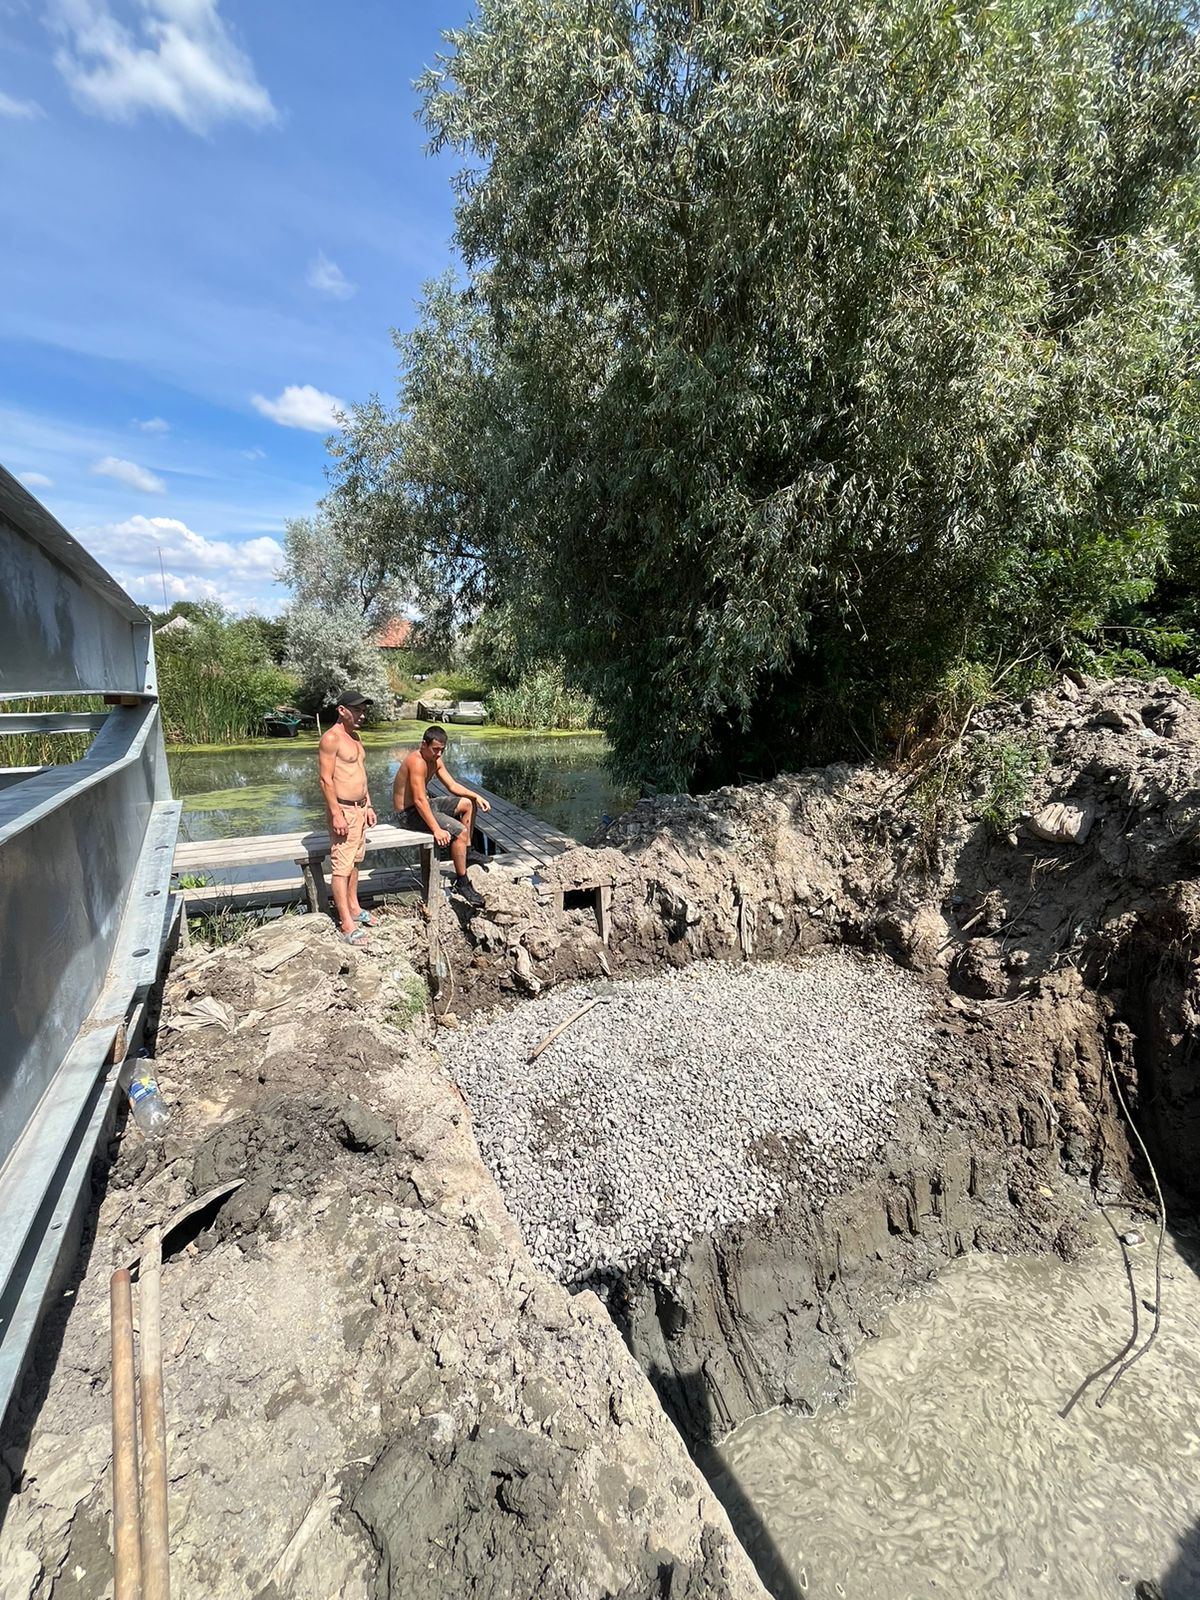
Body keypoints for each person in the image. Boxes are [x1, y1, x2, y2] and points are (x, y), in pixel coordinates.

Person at [393, 725, 490, 907]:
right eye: (435, 749)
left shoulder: (436, 760)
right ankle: (462, 883)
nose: (438, 754)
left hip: (425, 805)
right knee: (459, 831)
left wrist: (476, 796)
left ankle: (467, 852)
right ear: (424, 744)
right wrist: (436, 829)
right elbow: (420, 800)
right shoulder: (417, 762)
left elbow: (452, 785)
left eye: (442, 750)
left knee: (467, 803)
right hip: (409, 813)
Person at [317, 689, 378, 944]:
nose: (361, 715)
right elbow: (325, 779)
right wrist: (336, 813)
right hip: (343, 810)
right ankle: (346, 923)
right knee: (341, 868)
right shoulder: (331, 738)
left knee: (355, 862)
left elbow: (360, 773)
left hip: (360, 809)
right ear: (341, 710)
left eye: (363, 710)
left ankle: (354, 907)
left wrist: (369, 805)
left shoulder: (355, 737)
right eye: (356, 710)